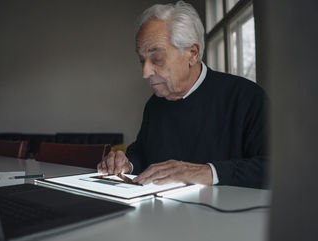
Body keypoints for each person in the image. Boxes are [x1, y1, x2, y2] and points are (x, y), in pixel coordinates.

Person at [97, 1, 268, 189]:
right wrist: (127, 163)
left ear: (193, 54)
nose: (145, 73)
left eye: (157, 59)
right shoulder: (154, 105)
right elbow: (143, 154)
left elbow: (273, 166)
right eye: (142, 61)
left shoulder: (246, 97)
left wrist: (207, 172)